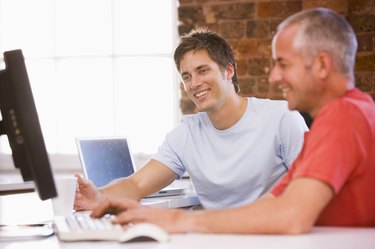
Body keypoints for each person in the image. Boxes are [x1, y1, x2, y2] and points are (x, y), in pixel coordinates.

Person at [90, 8, 375, 234]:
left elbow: (291, 217)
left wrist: (178, 221)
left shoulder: (343, 117)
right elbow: (272, 204)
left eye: (283, 64)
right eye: (186, 76)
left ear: (323, 65)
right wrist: (104, 198)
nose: (274, 77)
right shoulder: (343, 116)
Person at [74, 28, 308, 211]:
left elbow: (308, 192)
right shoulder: (186, 133)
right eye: (187, 76)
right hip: (214, 237)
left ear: (228, 71)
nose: (194, 83)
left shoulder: (281, 118)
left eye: (203, 71)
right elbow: (136, 184)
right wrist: (98, 195)